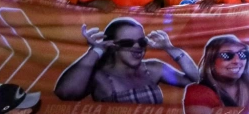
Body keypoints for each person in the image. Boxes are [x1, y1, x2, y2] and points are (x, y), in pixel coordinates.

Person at [54, 18, 198, 103]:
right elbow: (65, 93)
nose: (137, 48)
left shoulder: (153, 69)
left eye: (141, 42)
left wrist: (170, 48)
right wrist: (96, 51)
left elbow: (197, 82)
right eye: (127, 43)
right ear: (112, 46)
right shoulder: (100, 77)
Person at [183, 35, 249, 114]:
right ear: (211, 61)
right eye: (227, 55)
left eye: (242, 54)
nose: (237, 61)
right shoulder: (198, 92)